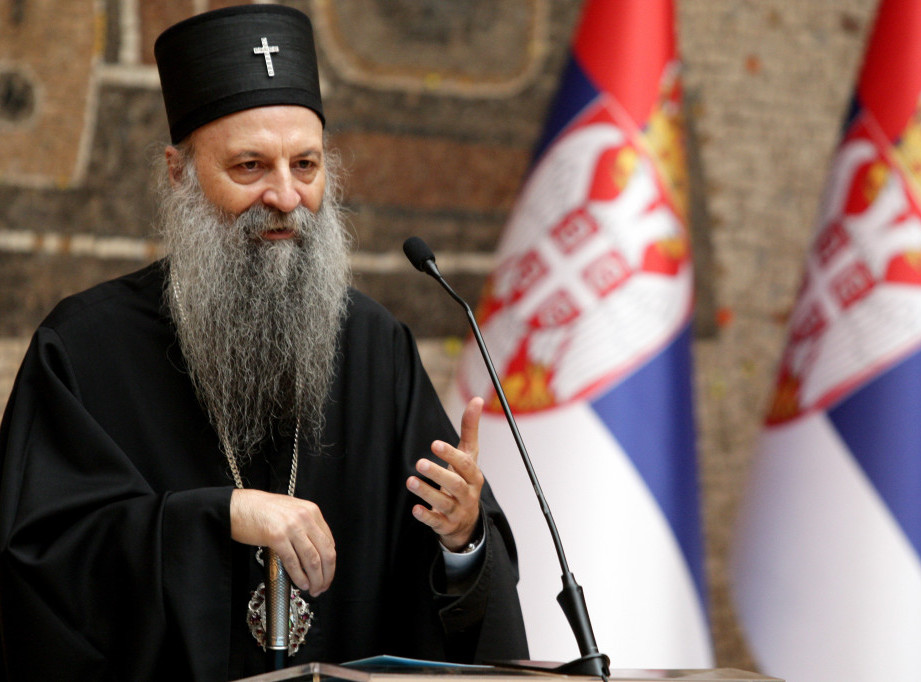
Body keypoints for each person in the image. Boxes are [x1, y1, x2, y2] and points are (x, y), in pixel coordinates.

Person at [0, 4, 528, 680]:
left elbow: (445, 594)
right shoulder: (83, 349)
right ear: (178, 172)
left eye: (305, 165)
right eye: (250, 166)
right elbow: (42, 566)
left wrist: (462, 537)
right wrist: (220, 514)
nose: (285, 196)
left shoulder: (375, 347)